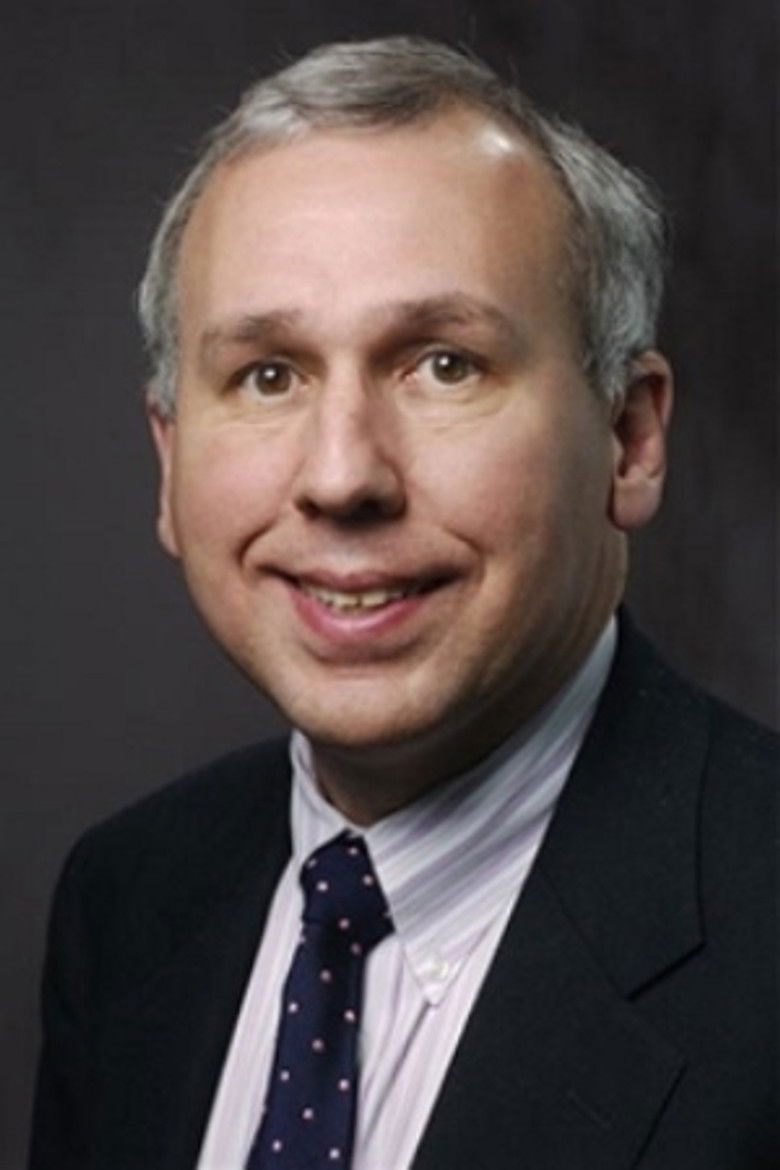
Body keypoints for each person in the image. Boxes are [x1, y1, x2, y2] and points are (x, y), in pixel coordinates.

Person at [29, 36, 777, 1170]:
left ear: (629, 438)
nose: (342, 477)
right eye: (268, 375)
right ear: (169, 463)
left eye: (444, 365)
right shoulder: (127, 902)